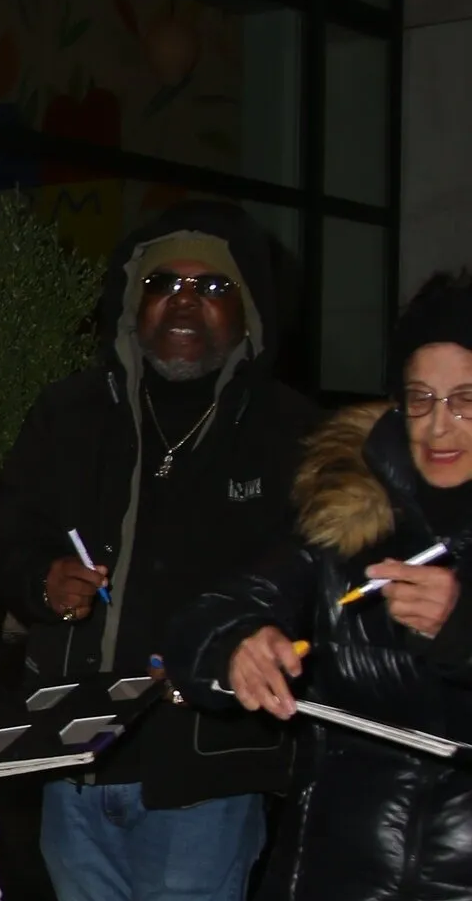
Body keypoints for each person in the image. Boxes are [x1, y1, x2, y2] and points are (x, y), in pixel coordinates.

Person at [0, 199, 319, 901]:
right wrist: (41, 580)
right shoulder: (70, 413)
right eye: (164, 283)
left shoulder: (290, 432)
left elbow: (316, 582)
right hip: (73, 759)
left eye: (213, 285)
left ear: (249, 311)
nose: (185, 300)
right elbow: (2, 533)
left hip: (206, 774)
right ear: (135, 302)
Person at [166, 270, 472, 900]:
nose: (439, 427)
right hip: (330, 874)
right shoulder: (352, 516)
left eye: (466, 400)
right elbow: (214, 611)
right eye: (420, 399)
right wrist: (237, 643)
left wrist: (464, 629)